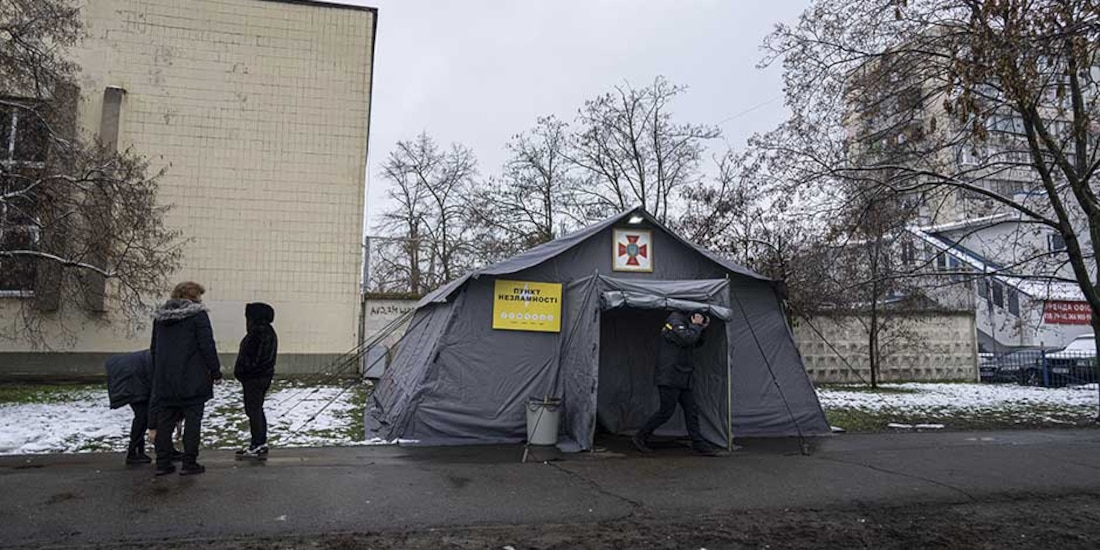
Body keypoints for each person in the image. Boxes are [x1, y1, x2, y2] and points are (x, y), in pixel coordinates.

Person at [149, 281, 223, 476]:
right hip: (193, 378)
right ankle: (190, 462)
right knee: (193, 420)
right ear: (195, 297)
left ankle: (163, 463)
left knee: (165, 421)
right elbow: (207, 345)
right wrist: (215, 371)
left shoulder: (161, 318)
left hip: (165, 379)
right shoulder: (198, 316)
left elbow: (154, 349)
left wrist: (158, 373)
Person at [632, 310, 722, 457]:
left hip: (682, 376)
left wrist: (701, 328)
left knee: (691, 410)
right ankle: (640, 437)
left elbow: (697, 342)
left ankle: (698, 443)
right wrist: (696, 326)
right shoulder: (674, 322)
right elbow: (687, 339)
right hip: (670, 376)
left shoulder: (686, 325)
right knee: (666, 411)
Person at [104, 349, 182, 465]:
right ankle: (134, 453)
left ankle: (159, 450)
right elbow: (155, 399)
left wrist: (177, 418)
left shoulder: (168, 359)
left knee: (147, 415)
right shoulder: (167, 364)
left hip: (135, 374)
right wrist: (152, 427)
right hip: (131, 377)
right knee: (142, 416)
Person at [233, 302, 278, 459]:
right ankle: (259, 442)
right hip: (260, 377)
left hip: (254, 378)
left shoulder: (258, 333)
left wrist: (243, 371)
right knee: (256, 409)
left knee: (253, 410)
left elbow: (253, 359)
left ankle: (257, 443)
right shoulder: (266, 331)